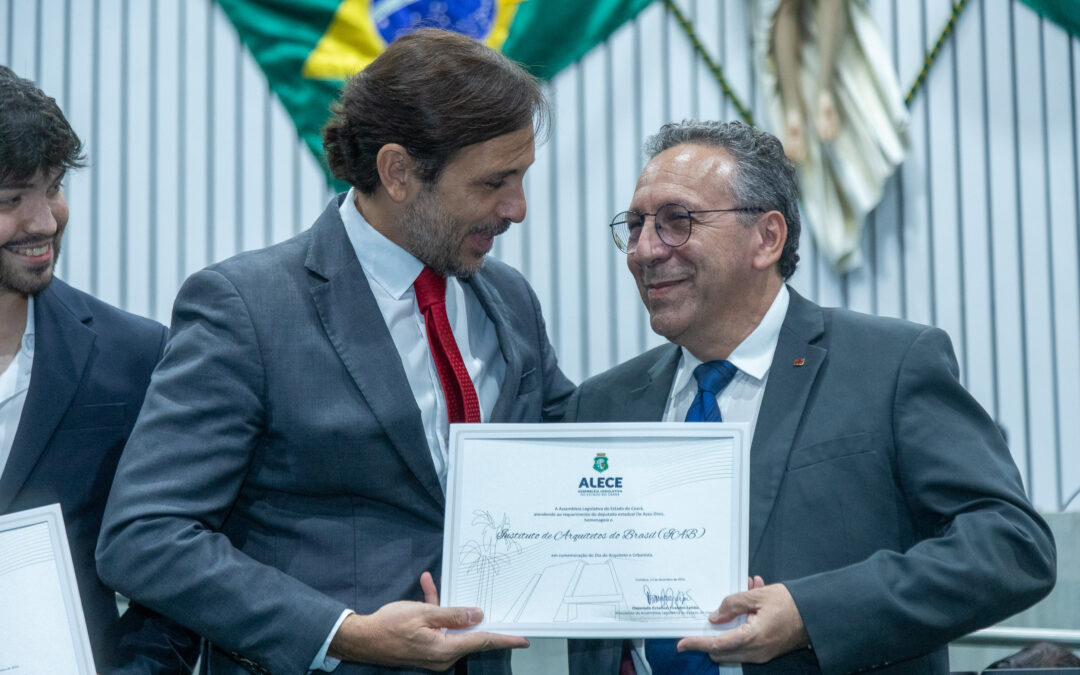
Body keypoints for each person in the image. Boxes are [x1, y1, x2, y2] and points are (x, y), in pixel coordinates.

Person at [96, 28, 575, 675]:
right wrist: (341, 631)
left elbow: (568, 452)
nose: (517, 208)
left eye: (522, 177)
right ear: (399, 172)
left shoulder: (509, 297)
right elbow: (144, 536)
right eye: (496, 182)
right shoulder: (247, 307)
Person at [566, 119, 1056, 674]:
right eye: (634, 226)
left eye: (677, 221)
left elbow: (1011, 546)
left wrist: (810, 613)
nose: (645, 250)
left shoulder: (888, 365)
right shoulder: (601, 405)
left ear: (767, 237)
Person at [0, 65, 196, 673]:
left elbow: (179, 564)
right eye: (11, 199)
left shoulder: (136, 356)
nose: (45, 221)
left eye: (53, 187)